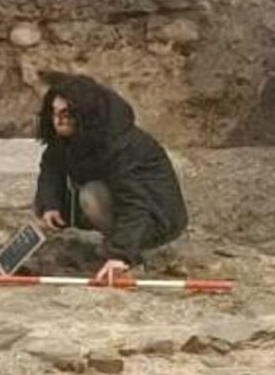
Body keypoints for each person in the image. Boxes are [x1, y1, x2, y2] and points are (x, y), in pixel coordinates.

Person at [32, 73, 188, 285]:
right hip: (127, 202)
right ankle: (118, 239)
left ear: (84, 115)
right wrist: (49, 204)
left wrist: (120, 254)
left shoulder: (118, 145)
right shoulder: (72, 135)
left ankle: (132, 247)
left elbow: (135, 202)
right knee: (78, 196)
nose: (58, 120)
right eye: (54, 112)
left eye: (66, 114)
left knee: (91, 196)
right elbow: (51, 167)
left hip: (158, 217)